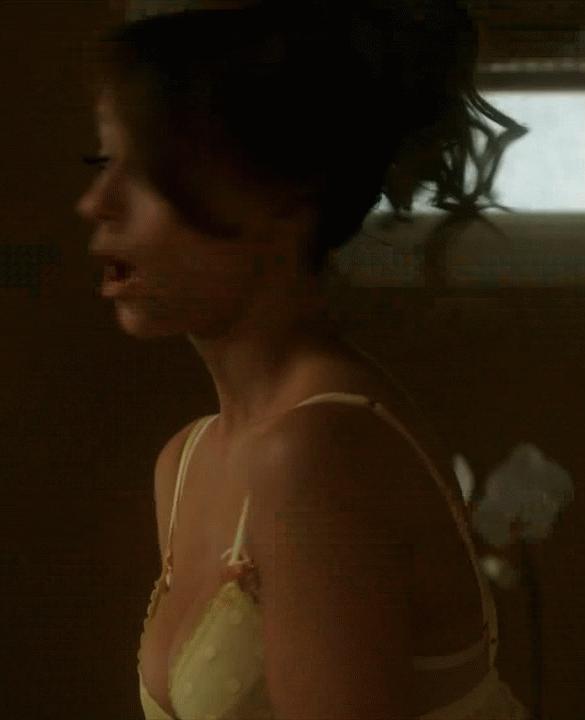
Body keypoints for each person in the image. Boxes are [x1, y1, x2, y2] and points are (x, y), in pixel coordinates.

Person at [75, 1, 531, 718]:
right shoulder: (185, 461)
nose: (97, 202)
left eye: (153, 170)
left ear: (283, 200)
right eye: (104, 163)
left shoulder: (320, 450)